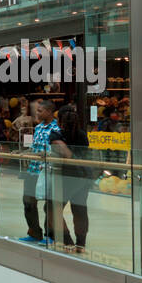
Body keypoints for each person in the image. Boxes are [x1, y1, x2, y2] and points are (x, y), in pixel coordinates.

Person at [20, 98, 64, 245]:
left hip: (48, 171)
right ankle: (34, 232)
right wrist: (24, 152)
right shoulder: (38, 128)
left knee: (49, 205)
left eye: (40, 111)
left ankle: (50, 235)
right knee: (28, 201)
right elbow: (35, 147)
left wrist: (44, 155)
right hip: (33, 170)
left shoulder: (56, 128)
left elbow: (57, 151)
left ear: (49, 112)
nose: (37, 113)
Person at [55, 102, 90, 253]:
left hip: (66, 177)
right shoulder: (82, 134)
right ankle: (81, 245)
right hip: (83, 176)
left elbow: (60, 150)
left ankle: (67, 240)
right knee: (80, 209)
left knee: (52, 208)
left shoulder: (57, 135)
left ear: (60, 121)